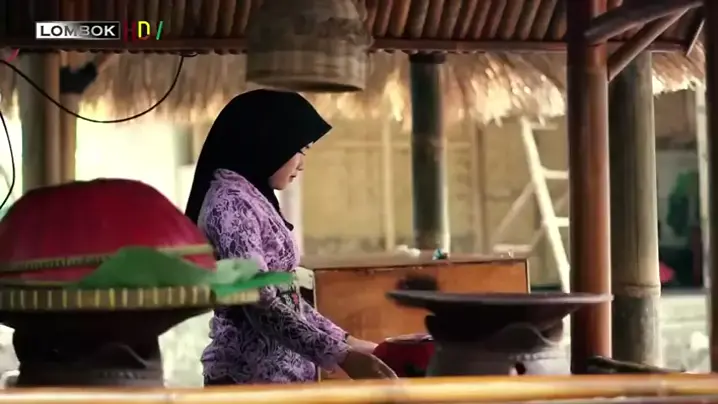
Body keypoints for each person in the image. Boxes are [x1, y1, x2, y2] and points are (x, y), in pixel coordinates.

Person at [185, 89, 396, 385]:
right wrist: (342, 355)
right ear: (270, 142)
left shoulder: (251, 198)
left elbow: (286, 299)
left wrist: (350, 343)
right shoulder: (230, 205)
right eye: (301, 150)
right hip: (249, 383)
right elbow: (259, 301)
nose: (302, 164)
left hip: (278, 381)